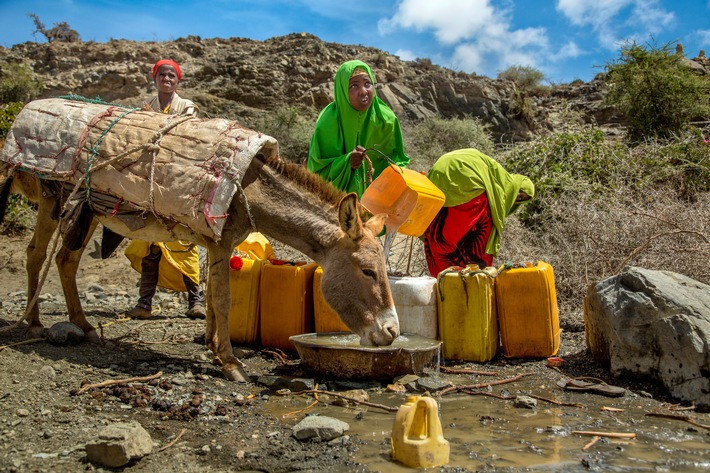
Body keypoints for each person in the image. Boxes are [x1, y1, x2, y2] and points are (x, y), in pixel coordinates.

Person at [124, 59, 206, 320]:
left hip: (178, 183)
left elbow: (190, 140)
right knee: (150, 242)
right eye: (162, 75)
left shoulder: (188, 108)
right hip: (150, 183)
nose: (167, 79)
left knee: (185, 241)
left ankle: (196, 302)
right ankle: (144, 304)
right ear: (155, 78)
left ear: (177, 81)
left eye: (171, 75)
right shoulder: (145, 108)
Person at [423, 148, 535, 277]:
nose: (517, 197)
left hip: (440, 172)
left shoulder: (496, 177)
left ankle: (442, 277)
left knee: (438, 226)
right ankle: (472, 281)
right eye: (519, 192)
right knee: (473, 242)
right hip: (467, 177)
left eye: (521, 199)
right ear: (516, 183)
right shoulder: (496, 192)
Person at [307, 60, 410, 196]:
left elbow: (396, 160)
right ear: (342, 90)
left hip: (377, 204)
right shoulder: (327, 122)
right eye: (354, 86)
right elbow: (316, 172)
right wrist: (346, 163)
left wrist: (406, 176)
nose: (363, 91)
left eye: (367, 84)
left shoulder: (386, 120)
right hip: (338, 204)